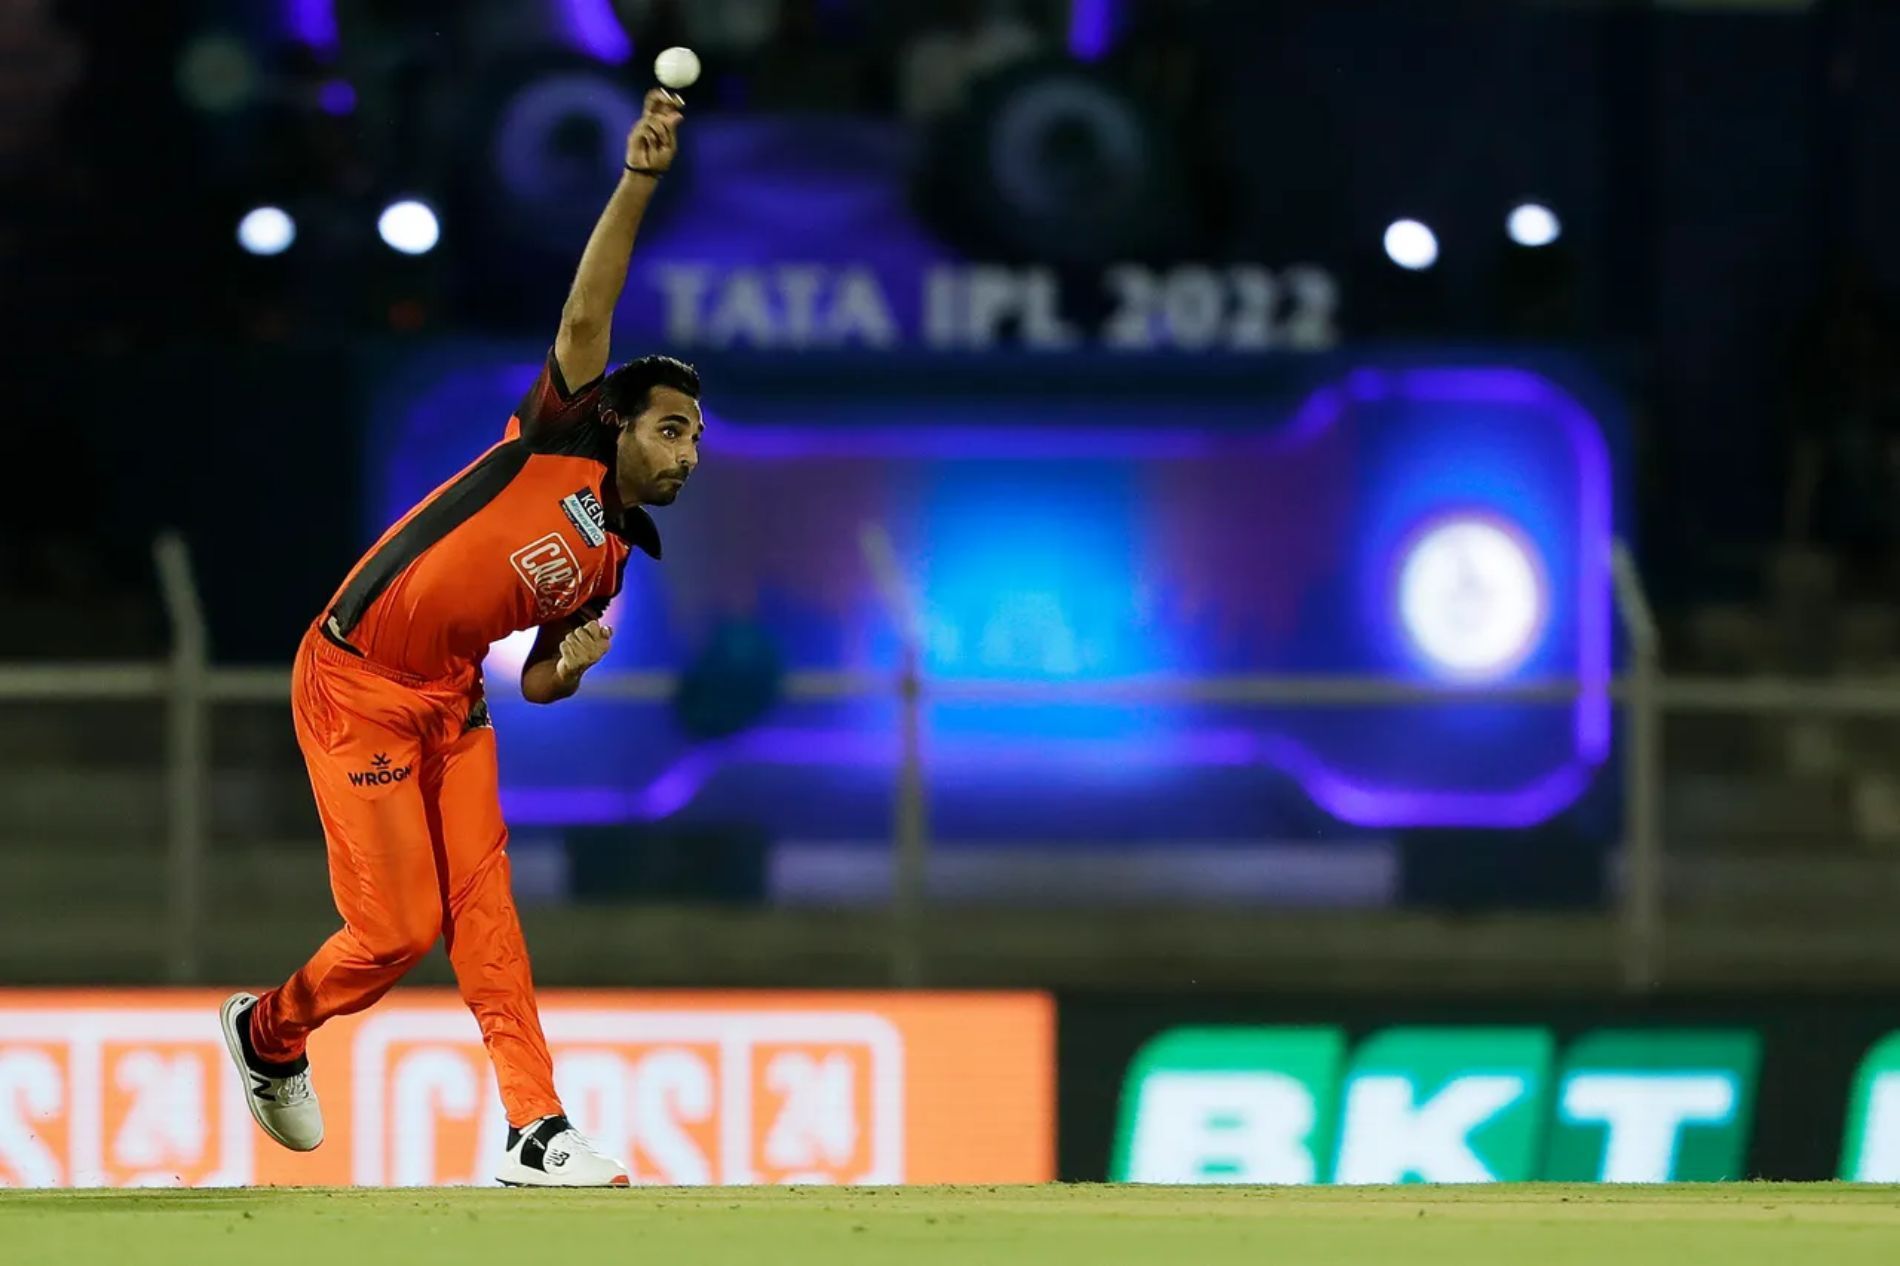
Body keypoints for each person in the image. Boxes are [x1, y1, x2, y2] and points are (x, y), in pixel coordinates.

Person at [218, 88, 700, 1188]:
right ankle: (270, 1034)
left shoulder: (618, 559)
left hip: (448, 698)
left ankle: (535, 1126)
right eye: (671, 429)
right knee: (393, 932)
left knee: (486, 905)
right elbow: (593, 307)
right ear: (619, 420)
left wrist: (568, 666)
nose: (686, 455)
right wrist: (639, 179)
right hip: (354, 679)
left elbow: (534, 684)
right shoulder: (561, 433)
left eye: (697, 440)